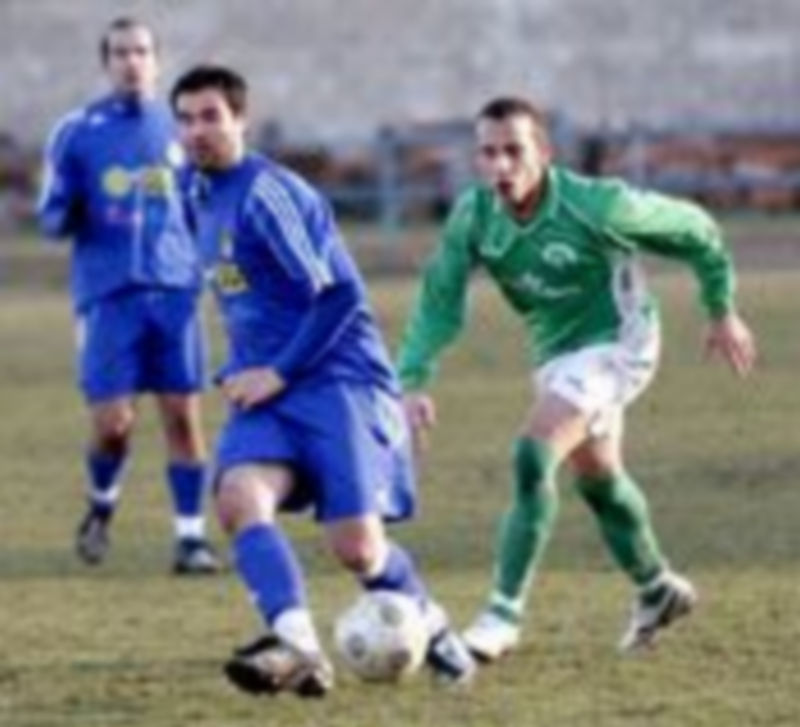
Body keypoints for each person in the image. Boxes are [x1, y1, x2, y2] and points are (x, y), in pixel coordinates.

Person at [396, 97, 757, 661]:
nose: (501, 166)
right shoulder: (474, 215)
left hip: (621, 344)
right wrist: (413, 379)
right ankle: (656, 588)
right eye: (488, 153)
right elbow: (440, 300)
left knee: (532, 454)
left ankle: (502, 615)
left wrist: (721, 307)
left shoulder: (599, 205)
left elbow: (697, 230)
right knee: (599, 480)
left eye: (514, 151)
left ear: (544, 151)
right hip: (557, 355)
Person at [169, 64, 476, 697]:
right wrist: (246, 365)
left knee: (359, 552)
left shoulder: (270, 194)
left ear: (240, 121)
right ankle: (299, 645)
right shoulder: (191, 193)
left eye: (210, 117)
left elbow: (339, 296)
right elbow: (241, 290)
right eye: (186, 118)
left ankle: (435, 625)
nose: (197, 130)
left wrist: (279, 371)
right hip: (266, 390)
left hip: (337, 380)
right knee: (236, 498)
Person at [37, 17, 219, 574]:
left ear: (156, 61)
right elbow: (49, 216)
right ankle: (101, 505)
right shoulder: (78, 131)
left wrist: (209, 262)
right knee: (114, 425)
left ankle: (191, 540)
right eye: (120, 52)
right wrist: (62, 211)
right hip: (108, 295)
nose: (131, 61)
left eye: (141, 51)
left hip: (175, 292)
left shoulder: (180, 128)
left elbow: (206, 205)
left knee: (183, 418)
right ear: (106, 62)